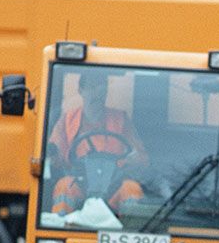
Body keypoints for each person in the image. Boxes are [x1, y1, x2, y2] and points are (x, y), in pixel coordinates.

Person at [48, 72, 149, 215]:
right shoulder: (67, 120)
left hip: (115, 184)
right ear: (80, 90)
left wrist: (131, 161)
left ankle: (132, 235)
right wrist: (52, 154)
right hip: (80, 183)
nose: (98, 92)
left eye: (102, 87)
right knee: (64, 186)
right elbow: (55, 155)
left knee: (132, 189)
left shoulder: (121, 119)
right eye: (92, 87)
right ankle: (59, 231)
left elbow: (141, 158)